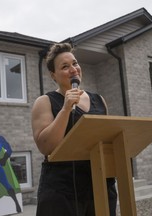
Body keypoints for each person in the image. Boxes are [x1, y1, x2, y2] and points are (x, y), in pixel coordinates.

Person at [31, 43, 117, 216]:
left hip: (100, 187)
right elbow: (45, 146)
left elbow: (106, 141)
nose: (73, 69)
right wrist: (66, 109)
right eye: (65, 66)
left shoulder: (99, 100)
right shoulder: (44, 101)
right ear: (53, 75)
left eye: (75, 63)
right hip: (62, 191)